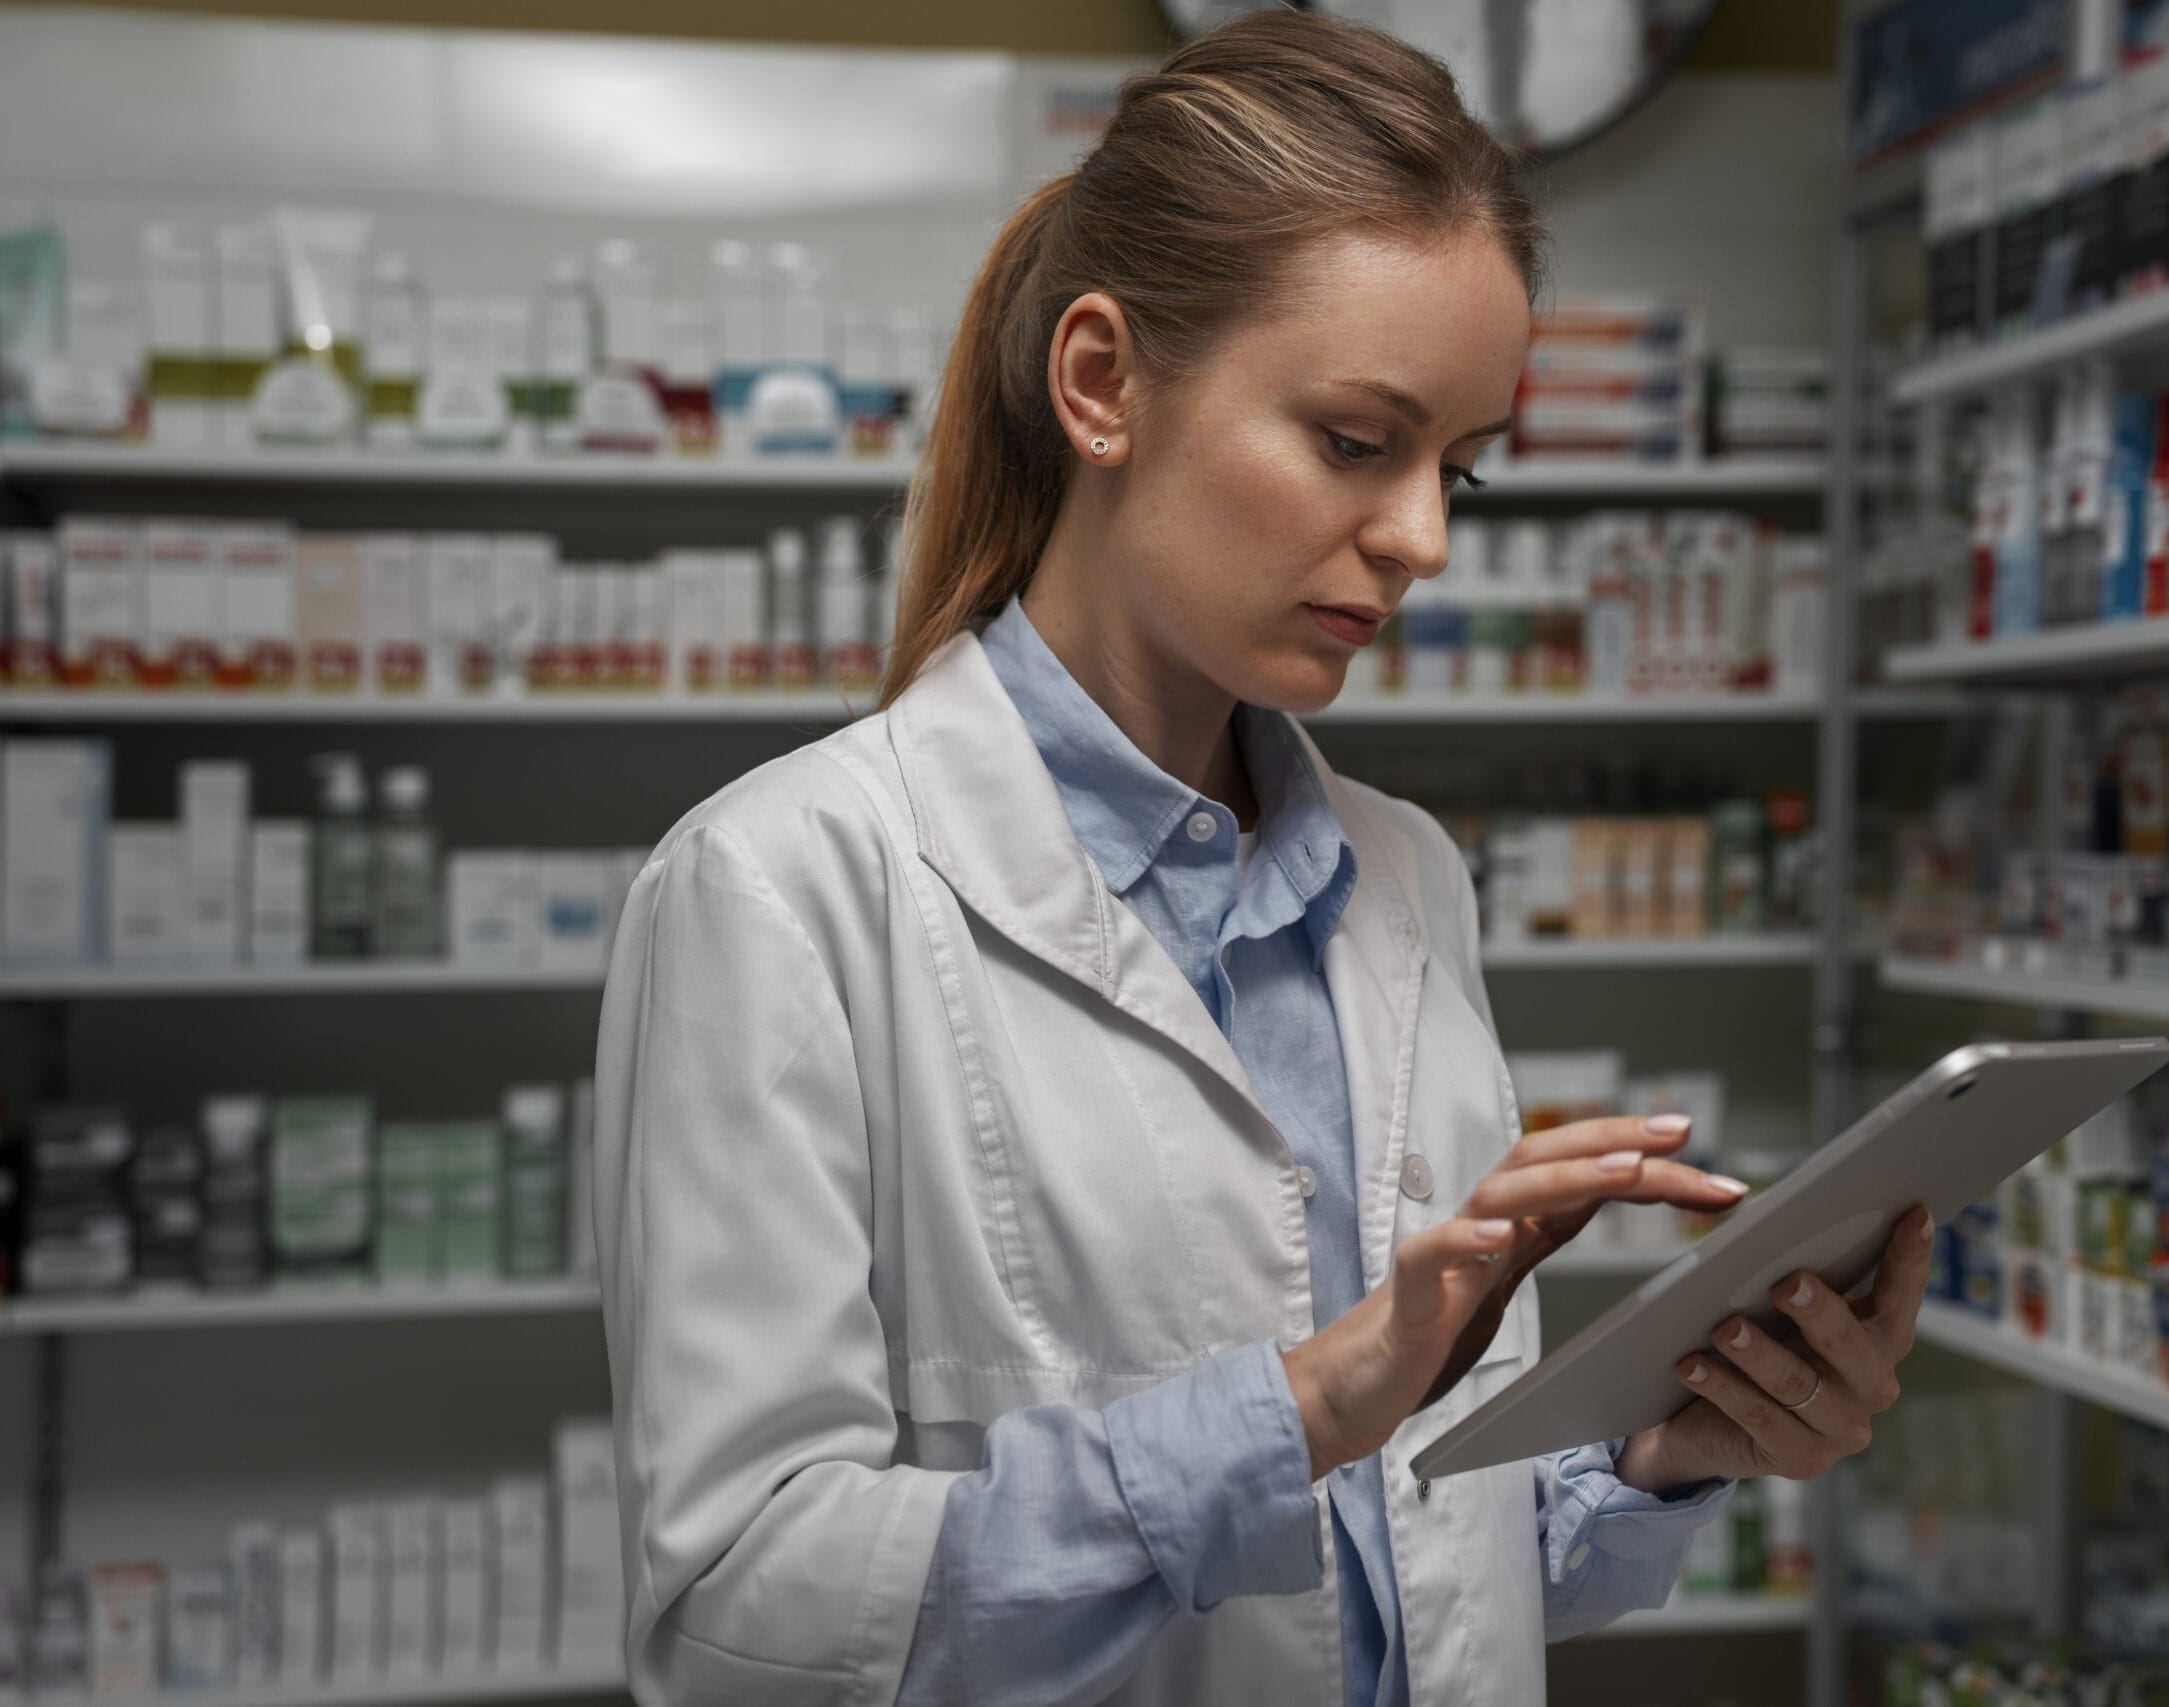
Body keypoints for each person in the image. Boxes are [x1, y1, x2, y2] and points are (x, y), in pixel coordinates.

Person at [591, 12, 1930, 1705]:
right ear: (1103, 383)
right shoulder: (782, 888)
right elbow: (737, 1613)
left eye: (1459, 467)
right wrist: (1307, 1406)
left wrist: (1671, 1450)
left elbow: (1424, 1570)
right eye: (1358, 443)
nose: (1424, 539)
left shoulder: (1409, 878)